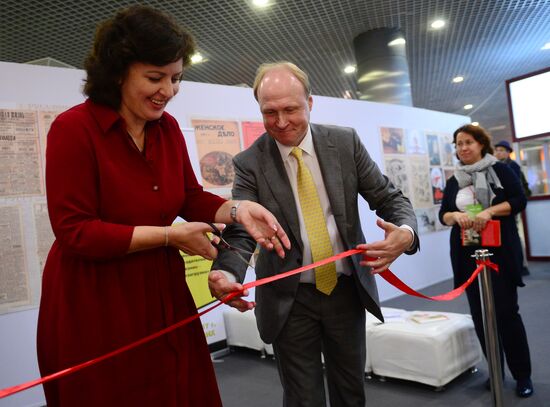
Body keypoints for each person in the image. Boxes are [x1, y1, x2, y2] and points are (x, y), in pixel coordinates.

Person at [37, 6, 290, 407]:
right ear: (118, 72)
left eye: (176, 79)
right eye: (155, 78)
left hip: (160, 291)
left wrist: (239, 209)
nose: (168, 90)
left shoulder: (167, 129)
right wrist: (171, 237)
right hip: (97, 301)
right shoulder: (74, 130)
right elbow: (76, 231)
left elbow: (188, 196)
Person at [209, 61, 419, 407]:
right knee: (302, 398)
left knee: (350, 392)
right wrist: (227, 271)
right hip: (288, 298)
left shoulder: (344, 143)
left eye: (291, 109)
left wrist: (407, 233)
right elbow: (243, 230)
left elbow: (388, 197)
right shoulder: (249, 162)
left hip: (345, 290)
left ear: (311, 101)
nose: (281, 122)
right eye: (269, 112)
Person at [439, 124, 534, 398]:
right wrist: (455, 217)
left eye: (468, 142)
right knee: (481, 317)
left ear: (481, 143)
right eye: (458, 144)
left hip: (499, 253)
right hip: (467, 254)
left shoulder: (501, 169)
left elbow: (519, 200)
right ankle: (496, 370)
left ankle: (522, 375)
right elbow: (444, 213)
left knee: (506, 315)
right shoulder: (455, 179)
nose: (463, 148)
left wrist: (490, 211)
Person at [494, 139, 531, 276]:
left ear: (508, 152)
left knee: (515, 235)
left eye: (501, 150)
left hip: (512, 206)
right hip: (504, 206)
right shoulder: (496, 166)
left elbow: (516, 190)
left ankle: (522, 265)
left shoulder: (512, 166)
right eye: (497, 150)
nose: (498, 153)